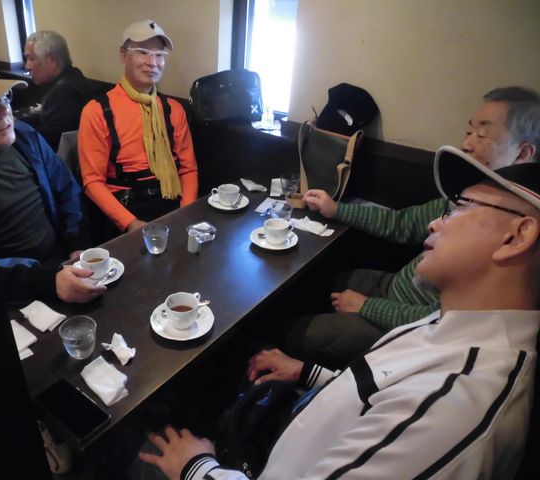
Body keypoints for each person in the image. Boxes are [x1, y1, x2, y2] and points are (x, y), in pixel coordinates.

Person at [139, 146, 540, 479]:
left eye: (462, 207)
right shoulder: (451, 324)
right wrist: (308, 373)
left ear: (517, 236)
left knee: (137, 449)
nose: (437, 222)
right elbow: (382, 396)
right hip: (291, 429)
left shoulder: (454, 410)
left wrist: (197, 468)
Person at [285, 86, 540, 369]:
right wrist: (337, 209)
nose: (466, 144)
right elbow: (402, 223)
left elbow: (439, 321)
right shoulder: (465, 195)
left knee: (296, 331)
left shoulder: (507, 241)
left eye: (482, 135)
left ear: (523, 153)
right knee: (324, 281)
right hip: (395, 290)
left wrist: (366, 306)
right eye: (468, 132)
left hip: (405, 330)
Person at [0, 50, 105, 303]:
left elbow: (67, 189)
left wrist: (77, 244)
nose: (4, 110)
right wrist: (44, 280)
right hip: (12, 291)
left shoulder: (25, 137)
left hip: (61, 263)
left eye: (4, 97)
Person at [78, 19, 198, 234]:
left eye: (159, 55)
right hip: (125, 208)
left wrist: (185, 211)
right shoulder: (97, 110)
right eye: (143, 52)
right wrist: (129, 223)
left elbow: (188, 168)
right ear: (123, 55)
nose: (152, 62)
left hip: (172, 200)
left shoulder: (173, 109)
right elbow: (92, 181)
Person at [16, 31, 95, 150]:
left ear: (52, 60)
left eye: (31, 59)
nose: (27, 66)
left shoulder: (65, 91)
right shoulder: (72, 75)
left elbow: (45, 142)